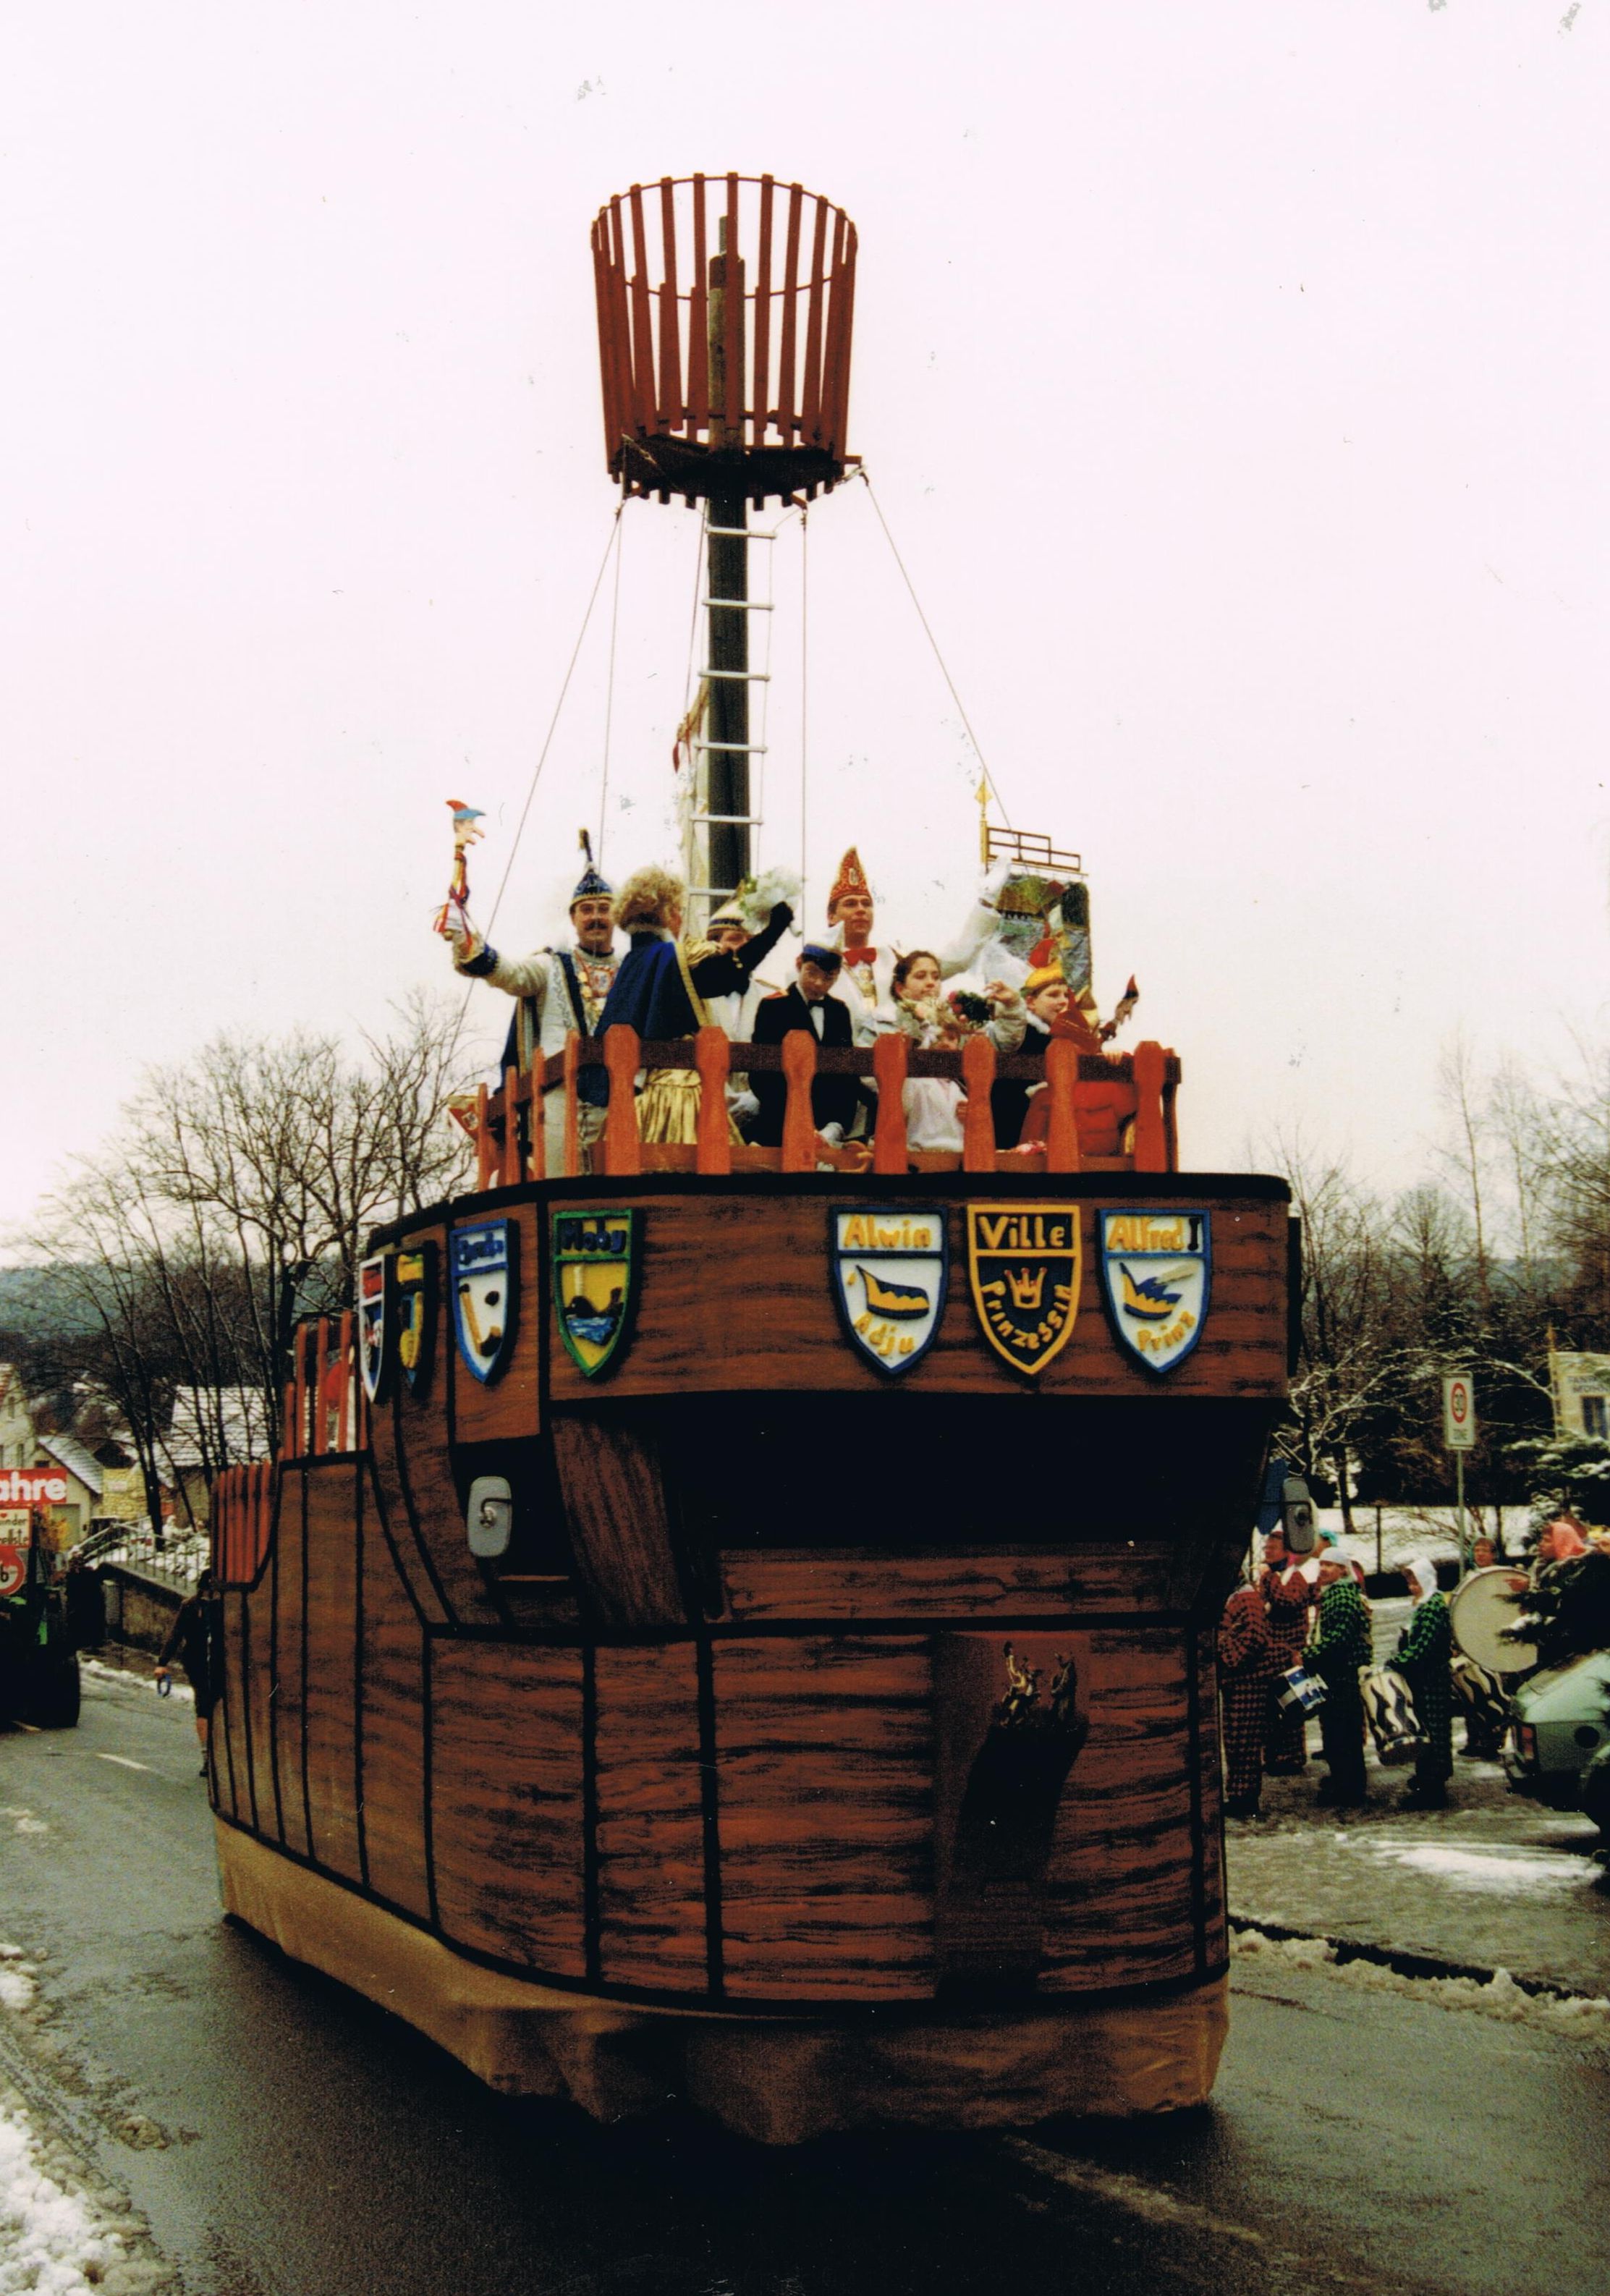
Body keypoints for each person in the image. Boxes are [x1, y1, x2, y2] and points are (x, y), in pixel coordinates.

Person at [582, 865, 793, 1143]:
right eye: (679, 909)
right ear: (667, 912)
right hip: (674, 1092)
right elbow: (726, 975)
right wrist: (775, 929)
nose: (681, 918)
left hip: (636, 1096)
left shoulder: (634, 961)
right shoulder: (671, 957)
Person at [449, 839, 620, 1168]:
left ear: (616, 916)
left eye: (604, 909)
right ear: (573, 918)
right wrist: (469, 944)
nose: (596, 917)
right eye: (587, 910)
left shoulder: (629, 970)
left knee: (618, 1184)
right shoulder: (550, 966)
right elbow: (511, 974)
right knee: (559, 1183)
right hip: (558, 1097)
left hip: (617, 1097)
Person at [748, 946, 865, 1150]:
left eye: (828, 977)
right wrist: (795, 1120)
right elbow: (761, 1075)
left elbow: (847, 1075)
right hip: (779, 1122)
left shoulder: (839, 1011)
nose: (818, 983)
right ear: (799, 964)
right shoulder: (773, 1007)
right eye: (812, 973)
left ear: (837, 976)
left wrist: (835, 1126)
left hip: (827, 1126)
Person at [703, 896, 785, 1132]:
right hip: (706, 1109)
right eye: (736, 939)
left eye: (751, 940)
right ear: (714, 944)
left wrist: (755, 1098)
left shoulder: (773, 997)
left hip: (760, 1114)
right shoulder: (697, 995)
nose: (746, 946)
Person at [1309, 1547, 1372, 1806]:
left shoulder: (1343, 1596)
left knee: (1342, 1732)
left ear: (1343, 1570)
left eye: (1330, 1565)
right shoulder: (1335, 1593)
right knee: (1338, 1732)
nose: (1323, 1569)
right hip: (1336, 1673)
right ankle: (1343, 1781)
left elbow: (1340, 1638)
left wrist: (1309, 1654)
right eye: (1322, 1564)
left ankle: (1349, 1788)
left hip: (1342, 1674)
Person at [1390, 1554, 1454, 1809]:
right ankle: (1426, 1777)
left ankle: (1434, 1787)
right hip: (1423, 1679)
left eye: (1416, 1582)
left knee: (1434, 1731)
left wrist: (1398, 1662)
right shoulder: (1425, 1605)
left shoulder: (1433, 1607)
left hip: (1431, 1680)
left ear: (1427, 1580)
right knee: (1426, 1729)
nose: (1412, 1588)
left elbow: (1424, 1647)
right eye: (1410, 1583)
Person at [1218, 1578, 1281, 1818]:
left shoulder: (1245, 1597)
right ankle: (1240, 1795)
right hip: (1241, 1679)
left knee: (1243, 1741)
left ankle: (1244, 1799)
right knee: (1238, 1740)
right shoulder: (1240, 1596)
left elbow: (1255, 1636)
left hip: (1247, 1679)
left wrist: (1228, 1660)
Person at [823, 848, 894, 1043]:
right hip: (839, 1060)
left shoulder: (892, 959)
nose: (861, 910)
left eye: (866, 904)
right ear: (831, 916)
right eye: (851, 904)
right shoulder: (815, 966)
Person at [1259, 1532, 1314, 1774]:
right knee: (1272, 1710)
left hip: (1289, 1654)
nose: (1267, 1552)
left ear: (1286, 1552)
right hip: (1272, 1654)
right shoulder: (1274, 1576)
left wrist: (1268, 1577)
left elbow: (1287, 1601)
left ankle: (1291, 1758)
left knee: (1290, 1707)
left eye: (1272, 1548)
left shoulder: (1295, 1577)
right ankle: (1274, 1756)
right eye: (1266, 1548)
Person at [155, 1569, 219, 1776]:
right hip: (197, 1662)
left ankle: (219, 1754)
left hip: (222, 1663)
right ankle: (207, 1757)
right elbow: (176, 1634)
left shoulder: (226, 1606)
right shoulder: (190, 1606)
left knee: (217, 1706)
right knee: (204, 1706)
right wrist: (162, 1663)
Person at [62, 1552, 106, 1653]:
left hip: (83, 1607)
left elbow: (70, 1592)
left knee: (82, 1627)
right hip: (88, 1607)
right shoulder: (88, 1575)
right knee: (88, 1627)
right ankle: (88, 1645)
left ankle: (83, 1646)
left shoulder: (75, 1576)